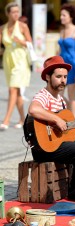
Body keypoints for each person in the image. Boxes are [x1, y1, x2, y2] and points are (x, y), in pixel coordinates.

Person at [25, 56, 75, 202]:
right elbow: (33, 109)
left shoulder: (61, 100)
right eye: (58, 76)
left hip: (57, 144)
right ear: (48, 77)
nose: (63, 80)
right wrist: (56, 118)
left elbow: (67, 131)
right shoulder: (44, 96)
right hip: (44, 149)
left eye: (65, 77)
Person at [0, 2, 32, 130]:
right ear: (8, 13)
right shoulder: (3, 28)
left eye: (17, 12)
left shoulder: (23, 26)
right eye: (13, 12)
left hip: (21, 61)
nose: (16, 14)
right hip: (8, 61)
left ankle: (6, 120)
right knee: (17, 93)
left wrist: (22, 41)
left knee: (12, 89)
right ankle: (23, 119)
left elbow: (30, 43)